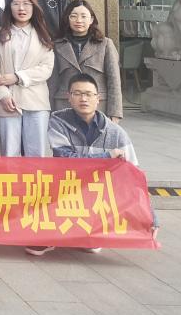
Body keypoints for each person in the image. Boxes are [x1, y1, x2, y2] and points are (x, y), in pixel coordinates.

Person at [31, 73, 157, 256]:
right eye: (77, 93)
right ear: (69, 97)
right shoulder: (58, 122)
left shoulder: (116, 133)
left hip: (97, 194)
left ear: (98, 98)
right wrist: (107, 156)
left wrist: (151, 217)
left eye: (89, 94)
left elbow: (135, 178)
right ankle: (48, 236)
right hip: (66, 186)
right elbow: (66, 159)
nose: (83, 99)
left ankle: (92, 231)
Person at [0, 0, 54, 157]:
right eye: (16, 4)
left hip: (36, 101)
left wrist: (18, 77)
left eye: (26, 4)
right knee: (9, 154)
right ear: (9, 8)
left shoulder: (43, 35)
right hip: (7, 101)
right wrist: (2, 95)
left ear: (34, 7)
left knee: (36, 154)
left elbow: (46, 68)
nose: (21, 8)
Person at [51, 0, 123, 121]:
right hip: (64, 105)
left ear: (91, 20)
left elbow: (114, 80)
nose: (79, 20)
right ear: (67, 19)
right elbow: (52, 82)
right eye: (73, 16)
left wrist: (115, 112)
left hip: (98, 106)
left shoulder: (105, 44)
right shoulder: (57, 45)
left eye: (83, 16)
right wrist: (49, 111)